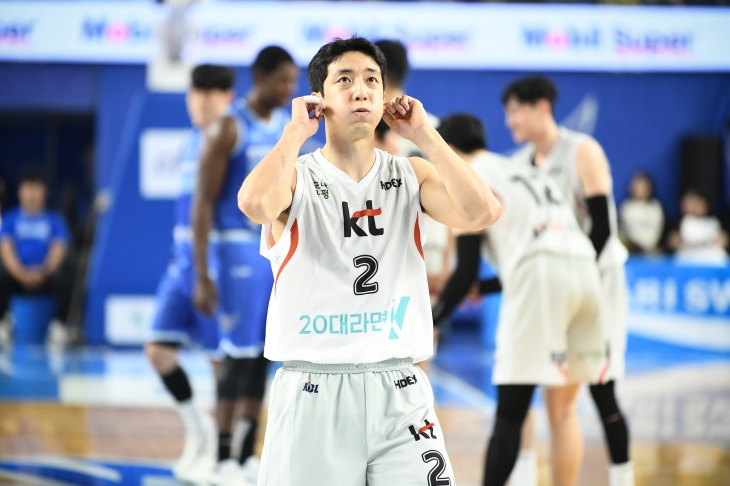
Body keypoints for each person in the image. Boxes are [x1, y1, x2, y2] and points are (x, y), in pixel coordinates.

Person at [238, 36, 501, 485]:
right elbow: (255, 204)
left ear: (384, 96)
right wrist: (293, 133)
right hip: (314, 388)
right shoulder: (297, 178)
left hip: (400, 387)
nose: (361, 90)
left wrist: (425, 135)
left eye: (371, 80)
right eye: (345, 80)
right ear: (318, 99)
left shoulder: (411, 173)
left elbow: (483, 212)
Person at [432, 113, 607, 486]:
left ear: (448, 148)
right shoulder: (520, 168)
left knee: (510, 412)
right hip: (586, 272)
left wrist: (432, 318)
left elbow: (465, 271)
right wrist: (486, 288)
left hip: (540, 277)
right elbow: (545, 245)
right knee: (564, 411)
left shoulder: (465, 177)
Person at [505, 76, 634, 486]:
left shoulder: (583, 151)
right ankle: (526, 476)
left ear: (541, 107)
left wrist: (573, 274)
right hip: (554, 287)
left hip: (597, 281)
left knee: (602, 389)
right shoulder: (519, 165)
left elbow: (603, 229)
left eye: (515, 110)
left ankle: (623, 478)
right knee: (534, 388)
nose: (509, 121)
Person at [191, 46, 299, 485]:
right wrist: (202, 273)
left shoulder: (286, 129)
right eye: (282, 80)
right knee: (235, 356)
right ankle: (220, 456)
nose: (289, 88)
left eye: (293, 81)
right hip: (234, 249)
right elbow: (202, 203)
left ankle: (246, 453)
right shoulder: (229, 127)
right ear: (259, 77)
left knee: (262, 355)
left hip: (273, 251)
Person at [144, 64, 233, 483]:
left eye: (211, 94)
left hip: (214, 268)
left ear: (228, 98)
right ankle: (199, 431)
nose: (202, 101)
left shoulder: (230, 142)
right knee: (157, 351)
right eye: (196, 93)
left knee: (221, 364)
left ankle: (225, 453)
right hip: (180, 266)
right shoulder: (188, 142)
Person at [374, 39, 450, 300]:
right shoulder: (435, 128)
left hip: (382, 247)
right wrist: (451, 263)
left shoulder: (361, 128)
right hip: (435, 246)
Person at [0, 171, 72, 346]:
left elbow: (59, 249)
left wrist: (44, 272)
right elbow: (6, 249)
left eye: (36, 189)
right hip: (17, 276)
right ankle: (3, 324)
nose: (32, 194)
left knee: (68, 273)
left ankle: (59, 326)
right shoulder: (9, 219)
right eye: (28, 189)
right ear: (20, 192)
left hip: (46, 276)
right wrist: (21, 273)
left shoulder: (55, 220)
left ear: (45, 193)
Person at [667, 189, 728, 265]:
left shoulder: (713, 222)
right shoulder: (685, 221)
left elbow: (720, 240)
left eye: (700, 203)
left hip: (709, 255)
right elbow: (683, 239)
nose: (697, 206)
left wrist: (722, 240)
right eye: (693, 202)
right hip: (689, 255)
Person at [619, 172, 664, 254]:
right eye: (636, 186)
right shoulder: (626, 207)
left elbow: (660, 233)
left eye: (642, 186)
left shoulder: (656, 207)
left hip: (652, 251)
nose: (639, 189)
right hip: (631, 250)